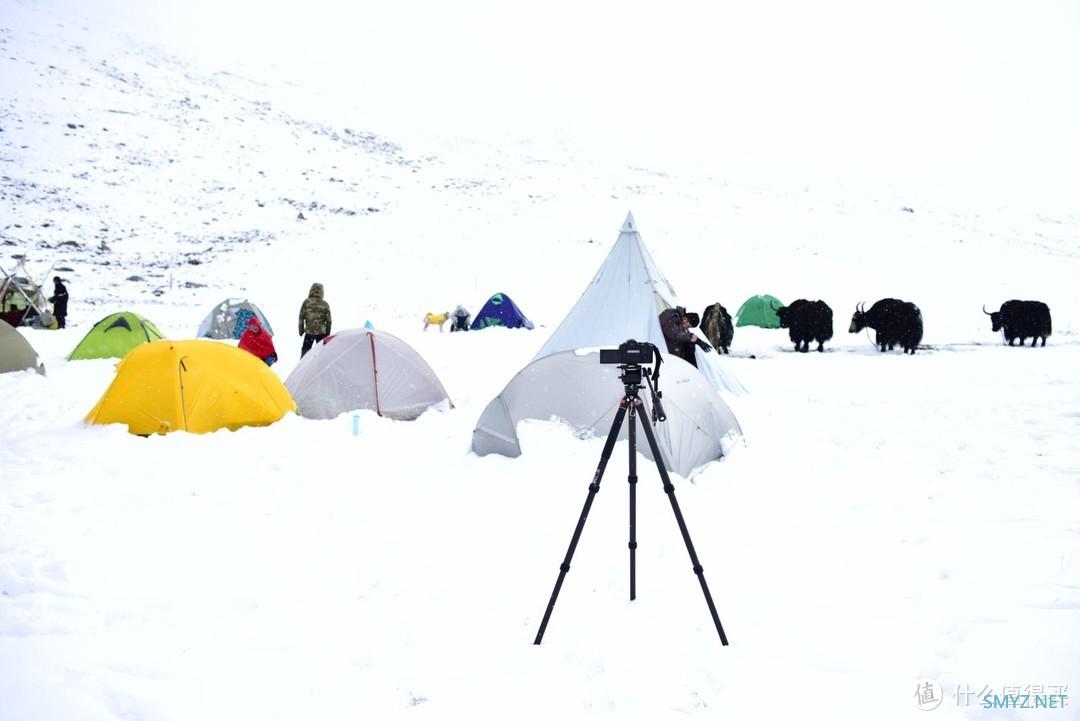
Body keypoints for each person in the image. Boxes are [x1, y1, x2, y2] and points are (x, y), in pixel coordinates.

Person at [298, 282, 332, 357]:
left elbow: (301, 317)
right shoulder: (325, 304)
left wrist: (301, 331)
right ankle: (321, 367)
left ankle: (304, 368)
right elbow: (329, 321)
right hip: (321, 333)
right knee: (322, 353)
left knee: (305, 352)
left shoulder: (306, 302)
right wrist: (327, 334)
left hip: (309, 332)